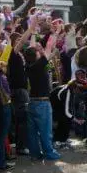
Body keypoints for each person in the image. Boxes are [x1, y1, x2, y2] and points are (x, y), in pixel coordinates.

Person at [24, 27, 61, 160]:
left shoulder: (28, 66)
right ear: (35, 56)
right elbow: (49, 46)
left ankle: (35, 154)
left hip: (32, 102)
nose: (40, 52)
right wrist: (55, 33)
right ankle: (49, 153)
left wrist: (33, 33)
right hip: (42, 103)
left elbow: (31, 49)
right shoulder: (39, 65)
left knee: (33, 131)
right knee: (45, 131)